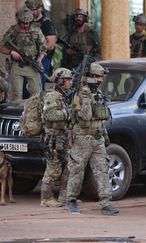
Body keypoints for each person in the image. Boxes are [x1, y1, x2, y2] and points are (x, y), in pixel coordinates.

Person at [65, 62, 119, 215]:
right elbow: (85, 116)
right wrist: (86, 97)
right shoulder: (81, 94)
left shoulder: (98, 94)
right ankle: (71, 200)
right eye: (97, 77)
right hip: (82, 138)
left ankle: (106, 203)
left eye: (101, 77)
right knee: (77, 170)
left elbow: (100, 119)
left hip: (97, 138)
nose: (101, 80)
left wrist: (104, 135)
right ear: (90, 77)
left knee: (102, 170)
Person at [40, 68, 73, 207]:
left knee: (68, 167)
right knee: (53, 168)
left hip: (63, 136)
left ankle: (64, 196)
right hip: (53, 138)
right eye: (67, 79)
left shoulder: (64, 95)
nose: (70, 82)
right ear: (59, 80)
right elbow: (49, 115)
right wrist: (68, 113)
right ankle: (46, 198)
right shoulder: (52, 96)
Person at [0, 6, 47, 101]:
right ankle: (15, 115)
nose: (25, 25)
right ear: (19, 20)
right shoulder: (13, 30)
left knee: (36, 94)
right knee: (16, 94)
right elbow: (1, 47)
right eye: (23, 23)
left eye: (27, 23)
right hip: (17, 66)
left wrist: (39, 59)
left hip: (32, 64)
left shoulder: (36, 30)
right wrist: (11, 52)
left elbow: (44, 47)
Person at [25, 0, 57, 91]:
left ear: (40, 9)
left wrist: (39, 55)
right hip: (26, 59)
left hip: (42, 59)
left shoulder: (47, 24)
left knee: (37, 88)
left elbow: (50, 45)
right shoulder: (25, 22)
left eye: (34, 9)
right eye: (29, 9)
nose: (31, 11)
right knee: (24, 90)